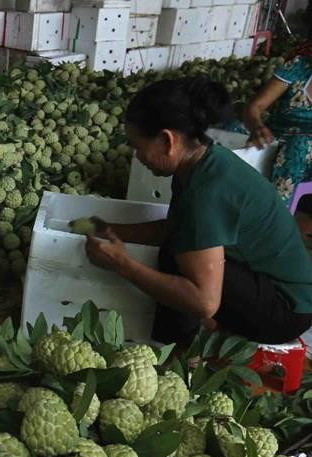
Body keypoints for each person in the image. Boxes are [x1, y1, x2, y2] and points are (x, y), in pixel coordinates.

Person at [85, 77, 312, 346]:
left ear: (168, 140)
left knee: (178, 257)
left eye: (138, 147)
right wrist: (108, 230)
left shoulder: (207, 192)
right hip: (265, 284)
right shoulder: (201, 162)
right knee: (178, 246)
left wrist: (124, 265)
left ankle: (178, 354)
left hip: (285, 309)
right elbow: (171, 229)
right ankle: (179, 346)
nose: (138, 157)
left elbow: (204, 302)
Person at [243, 38, 312, 206]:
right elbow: (255, 106)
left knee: (298, 147)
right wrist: (257, 126)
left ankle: (273, 218)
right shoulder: (299, 67)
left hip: (304, 153)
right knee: (230, 129)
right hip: (273, 139)